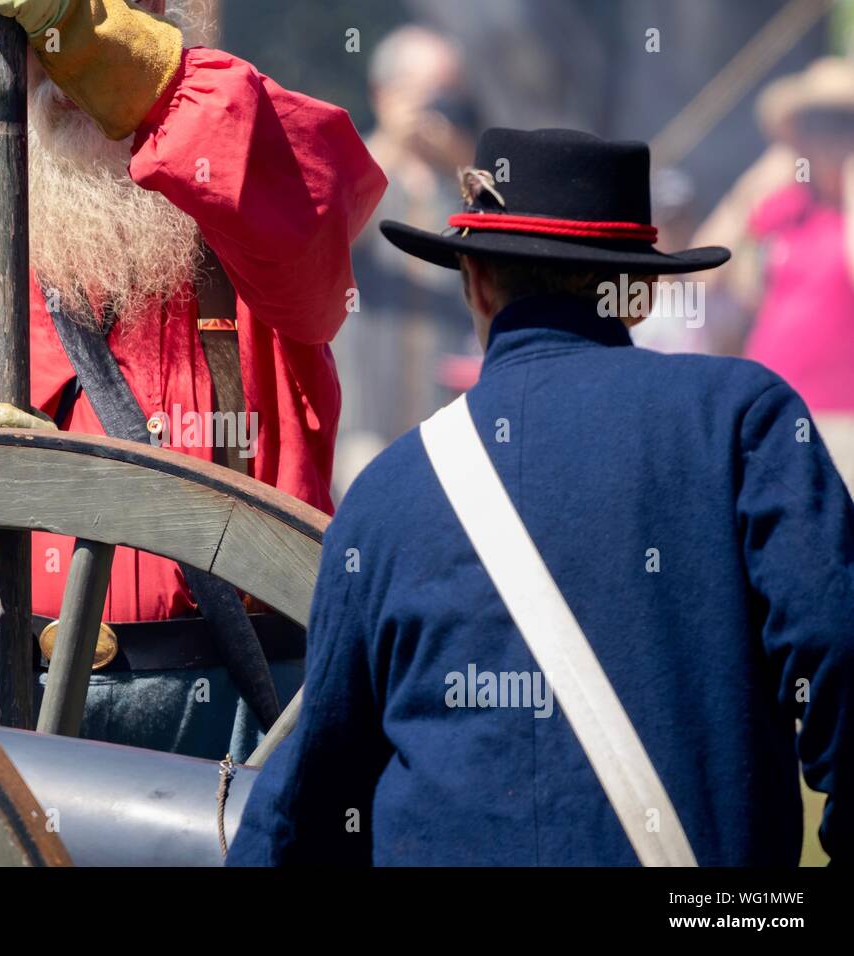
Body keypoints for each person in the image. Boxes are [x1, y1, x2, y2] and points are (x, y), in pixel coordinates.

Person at [230, 128, 853, 865]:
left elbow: (317, 790)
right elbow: (836, 646)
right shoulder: (741, 416)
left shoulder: (386, 492)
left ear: (474, 280)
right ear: (642, 290)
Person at [0, 0, 386, 760]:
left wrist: (85, 34)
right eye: (38, 43)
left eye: (99, 29)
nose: (65, 70)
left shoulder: (245, 190)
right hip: (15, 700)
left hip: (241, 716)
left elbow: (317, 193)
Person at [333, 26, 480, 497]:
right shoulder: (351, 166)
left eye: (448, 96)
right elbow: (334, 234)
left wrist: (461, 161)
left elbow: (509, 236)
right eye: (427, 95)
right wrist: (394, 142)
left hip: (450, 427)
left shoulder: (457, 182)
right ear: (384, 93)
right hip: (362, 427)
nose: (439, 109)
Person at [696, 58, 854, 490]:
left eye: (841, 124)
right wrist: (749, 192)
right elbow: (703, 274)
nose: (823, 140)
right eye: (812, 125)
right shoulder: (789, 211)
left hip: (843, 421)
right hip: (772, 412)